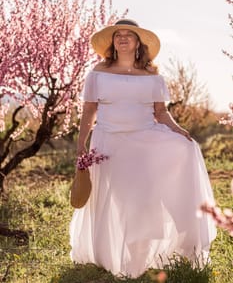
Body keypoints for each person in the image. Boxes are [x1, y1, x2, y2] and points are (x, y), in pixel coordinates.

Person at [70, 19, 217, 278]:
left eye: (130, 35)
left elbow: (161, 112)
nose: (123, 38)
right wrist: (82, 142)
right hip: (108, 143)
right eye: (118, 35)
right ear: (113, 43)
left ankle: (142, 257)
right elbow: (89, 110)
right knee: (119, 199)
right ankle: (116, 256)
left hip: (145, 141)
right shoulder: (97, 73)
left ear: (139, 43)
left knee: (143, 197)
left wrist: (178, 130)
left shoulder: (153, 76)